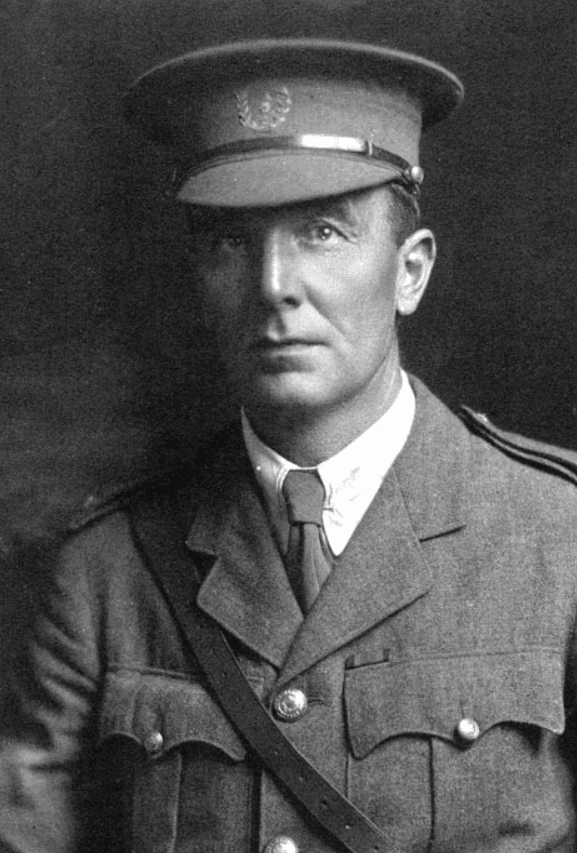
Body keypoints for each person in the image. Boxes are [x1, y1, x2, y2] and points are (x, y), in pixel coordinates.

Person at [2, 36, 577, 853]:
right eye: (231, 242)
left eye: (322, 231)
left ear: (409, 271)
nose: (273, 285)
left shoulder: (557, 538)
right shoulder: (104, 572)